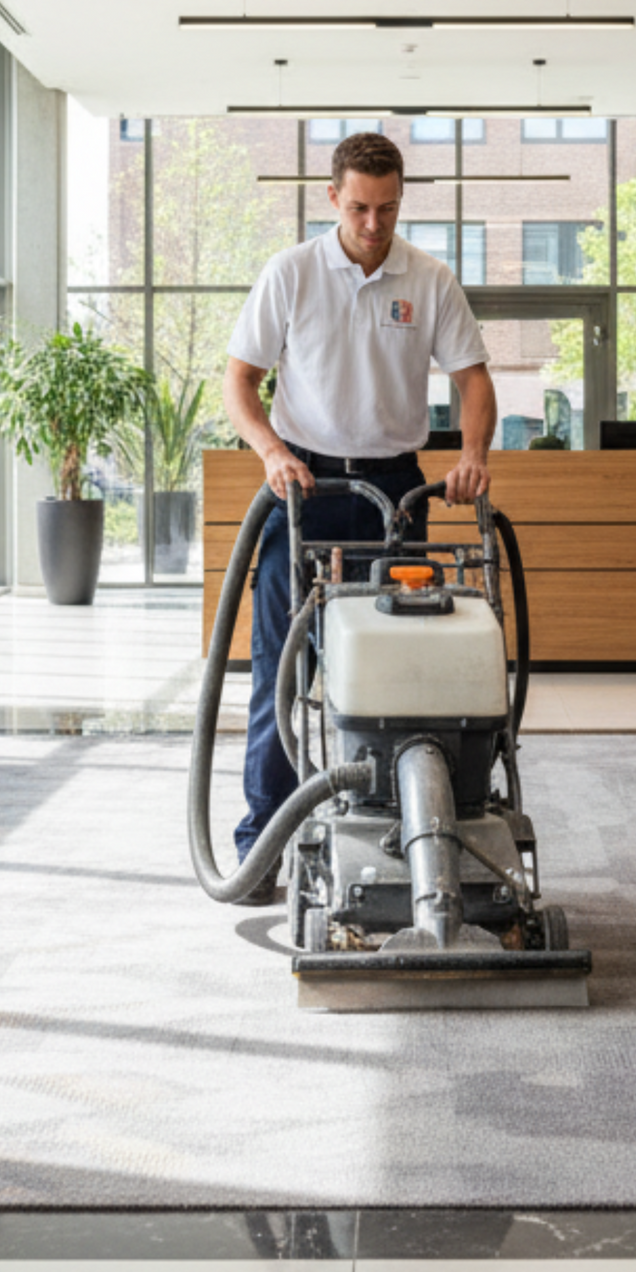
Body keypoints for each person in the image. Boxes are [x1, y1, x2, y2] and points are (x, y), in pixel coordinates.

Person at [221, 130, 497, 904]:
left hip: (397, 489)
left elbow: (474, 380)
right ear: (333, 198)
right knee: (282, 665)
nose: (375, 224)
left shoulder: (429, 279)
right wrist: (271, 451)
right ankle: (262, 843)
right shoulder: (294, 273)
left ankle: (395, 824)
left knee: (398, 663)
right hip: (302, 487)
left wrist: (473, 452)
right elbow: (239, 381)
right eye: (360, 208)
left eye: (388, 208)